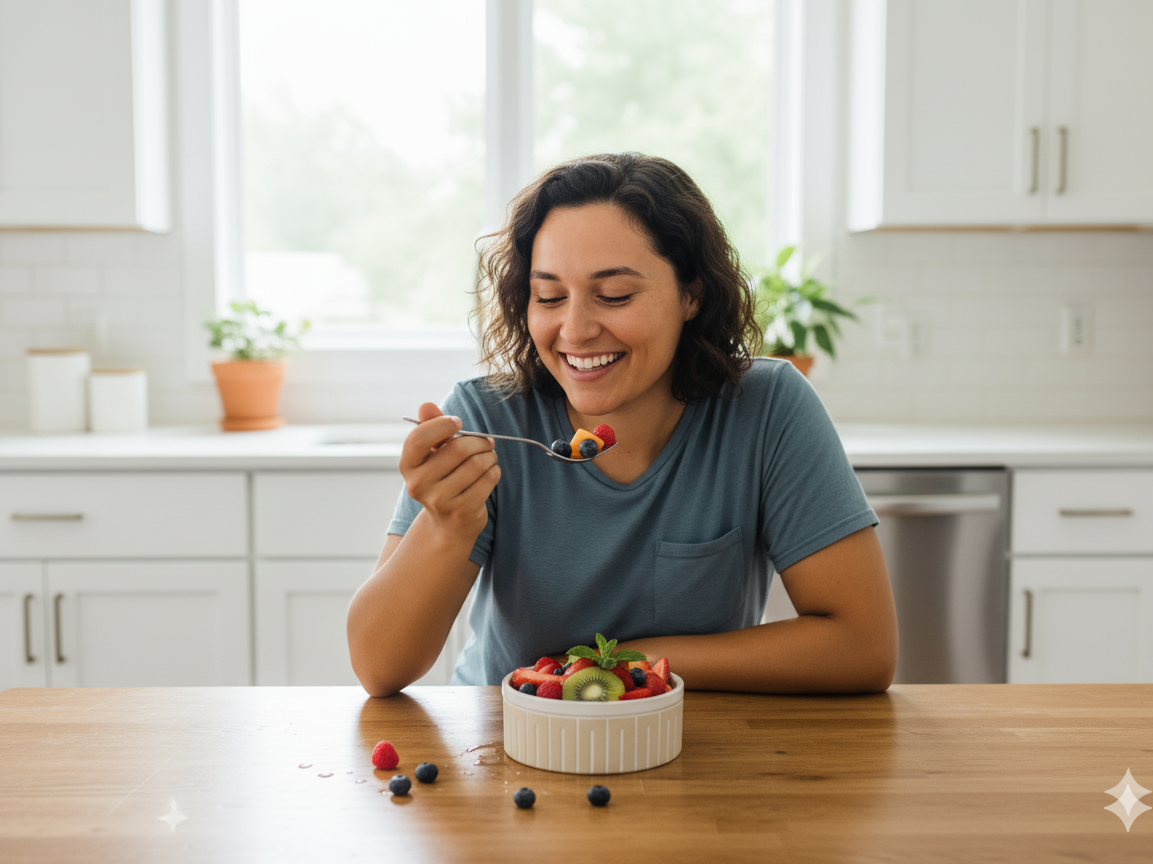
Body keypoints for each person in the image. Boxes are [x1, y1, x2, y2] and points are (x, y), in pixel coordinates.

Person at [347, 152, 897, 697]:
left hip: (690, 744)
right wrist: (446, 526)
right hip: (505, 746)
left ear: (691, 294)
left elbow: (862, 647)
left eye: (615, 296)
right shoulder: (489, 419)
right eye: (549, 297)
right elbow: (378, 667)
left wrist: (619, 664)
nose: (576, 330)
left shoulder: (767, 409)